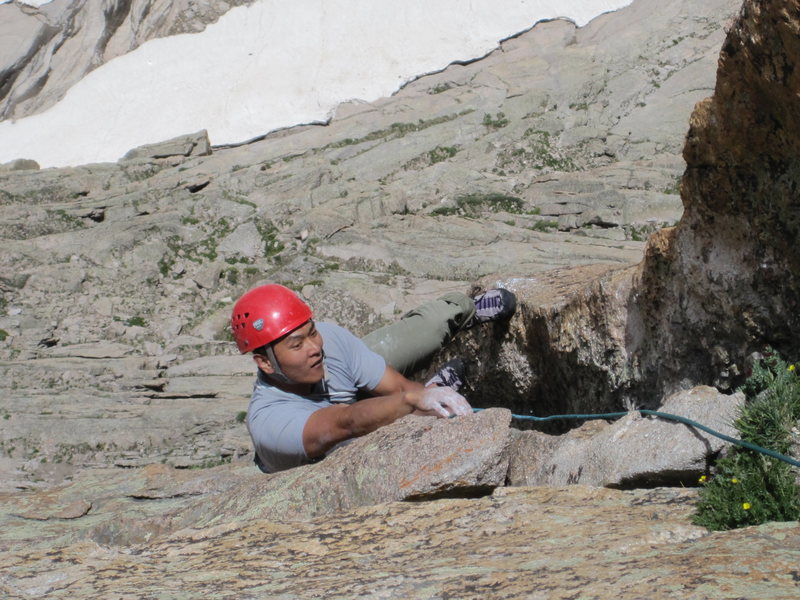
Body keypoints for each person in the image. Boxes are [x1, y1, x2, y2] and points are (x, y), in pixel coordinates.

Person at [231, 283, 517, 473]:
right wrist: (413, 402)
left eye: (312, 332)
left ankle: (465, 310)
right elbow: (346, 422)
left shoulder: (328, 341)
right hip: (338, 447)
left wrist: (428, 400)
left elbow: (401, 387)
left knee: (428, 329)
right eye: (297, 345)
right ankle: (432, 390)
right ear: (265, 363)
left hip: (356, 403)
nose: (315, 348)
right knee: (396, 421)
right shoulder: (270, 422)